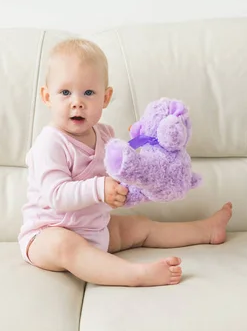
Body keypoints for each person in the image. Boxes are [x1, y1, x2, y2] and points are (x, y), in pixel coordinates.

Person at [18, 38, 233, 287]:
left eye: (88, 92)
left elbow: (121, 170)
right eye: (65, 92)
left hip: (95, 229)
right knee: (65, 244)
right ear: (47, 96)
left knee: (141, 226)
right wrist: (100, 189)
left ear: (106, 98)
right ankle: (136, 275)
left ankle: (206, 230)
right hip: (47, 234)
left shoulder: (106, 134)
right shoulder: (50, 143)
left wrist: (145, 155)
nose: (76, 101)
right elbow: (56, 195)